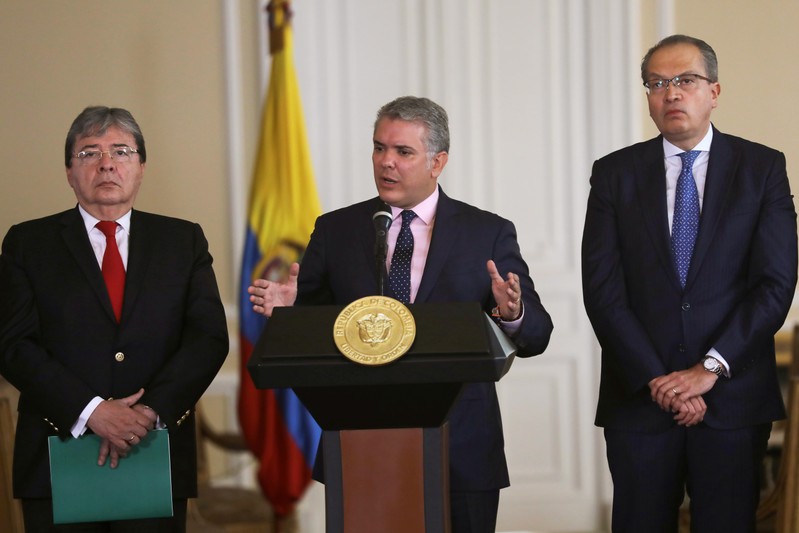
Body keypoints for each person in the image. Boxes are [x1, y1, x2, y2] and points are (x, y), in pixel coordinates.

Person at [248, 95, 553, 532]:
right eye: (379, 148)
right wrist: (291, 312)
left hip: (460, 441)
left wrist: (513, 312)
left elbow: (538, 335)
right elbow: (312, 332)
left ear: (438, 161)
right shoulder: (336, 230)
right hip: (360, 439)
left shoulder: (486, 232)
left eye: (402, 152)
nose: (385, 162)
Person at [581, 34, 797, 533]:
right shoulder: (614, 174)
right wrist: (660, 379)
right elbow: (603, 289)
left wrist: (709, 368)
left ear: (714, 91)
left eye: (685, 80)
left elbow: (775, 284)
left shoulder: (762, 168)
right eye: (657, 83)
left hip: (732, 398)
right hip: (640, 397)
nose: (671, 93)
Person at [0, 106, 229, 532]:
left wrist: (147, 413)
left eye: (121, 151)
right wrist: (93, 412)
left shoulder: (183, 241)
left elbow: (209, 337)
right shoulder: (27, 243)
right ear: (70, 171)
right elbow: (13, 345)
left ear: (141, 167)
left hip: (154, 453)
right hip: (58, 455)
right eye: (89, 153)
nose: (107, 163)